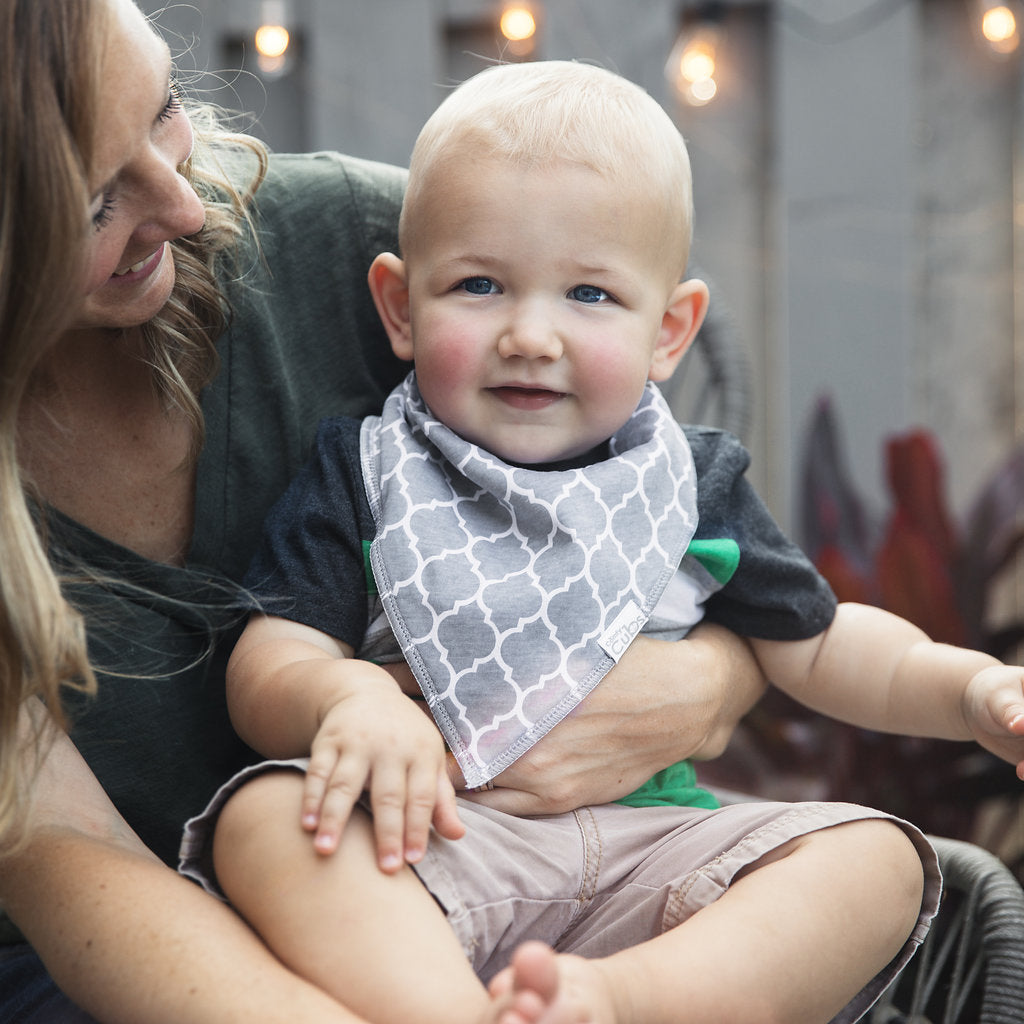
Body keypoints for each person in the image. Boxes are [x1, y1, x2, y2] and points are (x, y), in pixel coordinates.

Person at [186, 60, 1021, 1024]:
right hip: (431, 851)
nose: (531, 335)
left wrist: (968, 689)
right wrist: (346, 696)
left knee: (875, 860)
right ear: (402, 308)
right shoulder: (368, 471)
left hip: (654, 853)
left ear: (669, 331)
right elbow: (271, 656)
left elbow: (824, 644)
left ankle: (619, 1002)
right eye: (481, 284)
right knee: (263, 823)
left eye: (588, 295)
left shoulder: (690, 485)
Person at [0, 2, 768, 1020]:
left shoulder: (379, 258)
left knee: (868, 863)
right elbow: (65, 848)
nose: (184, 205)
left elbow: (684, 534)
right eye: (95, 204)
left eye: (164, 111)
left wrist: (711, 679)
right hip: (130, 973)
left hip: (518, 897)